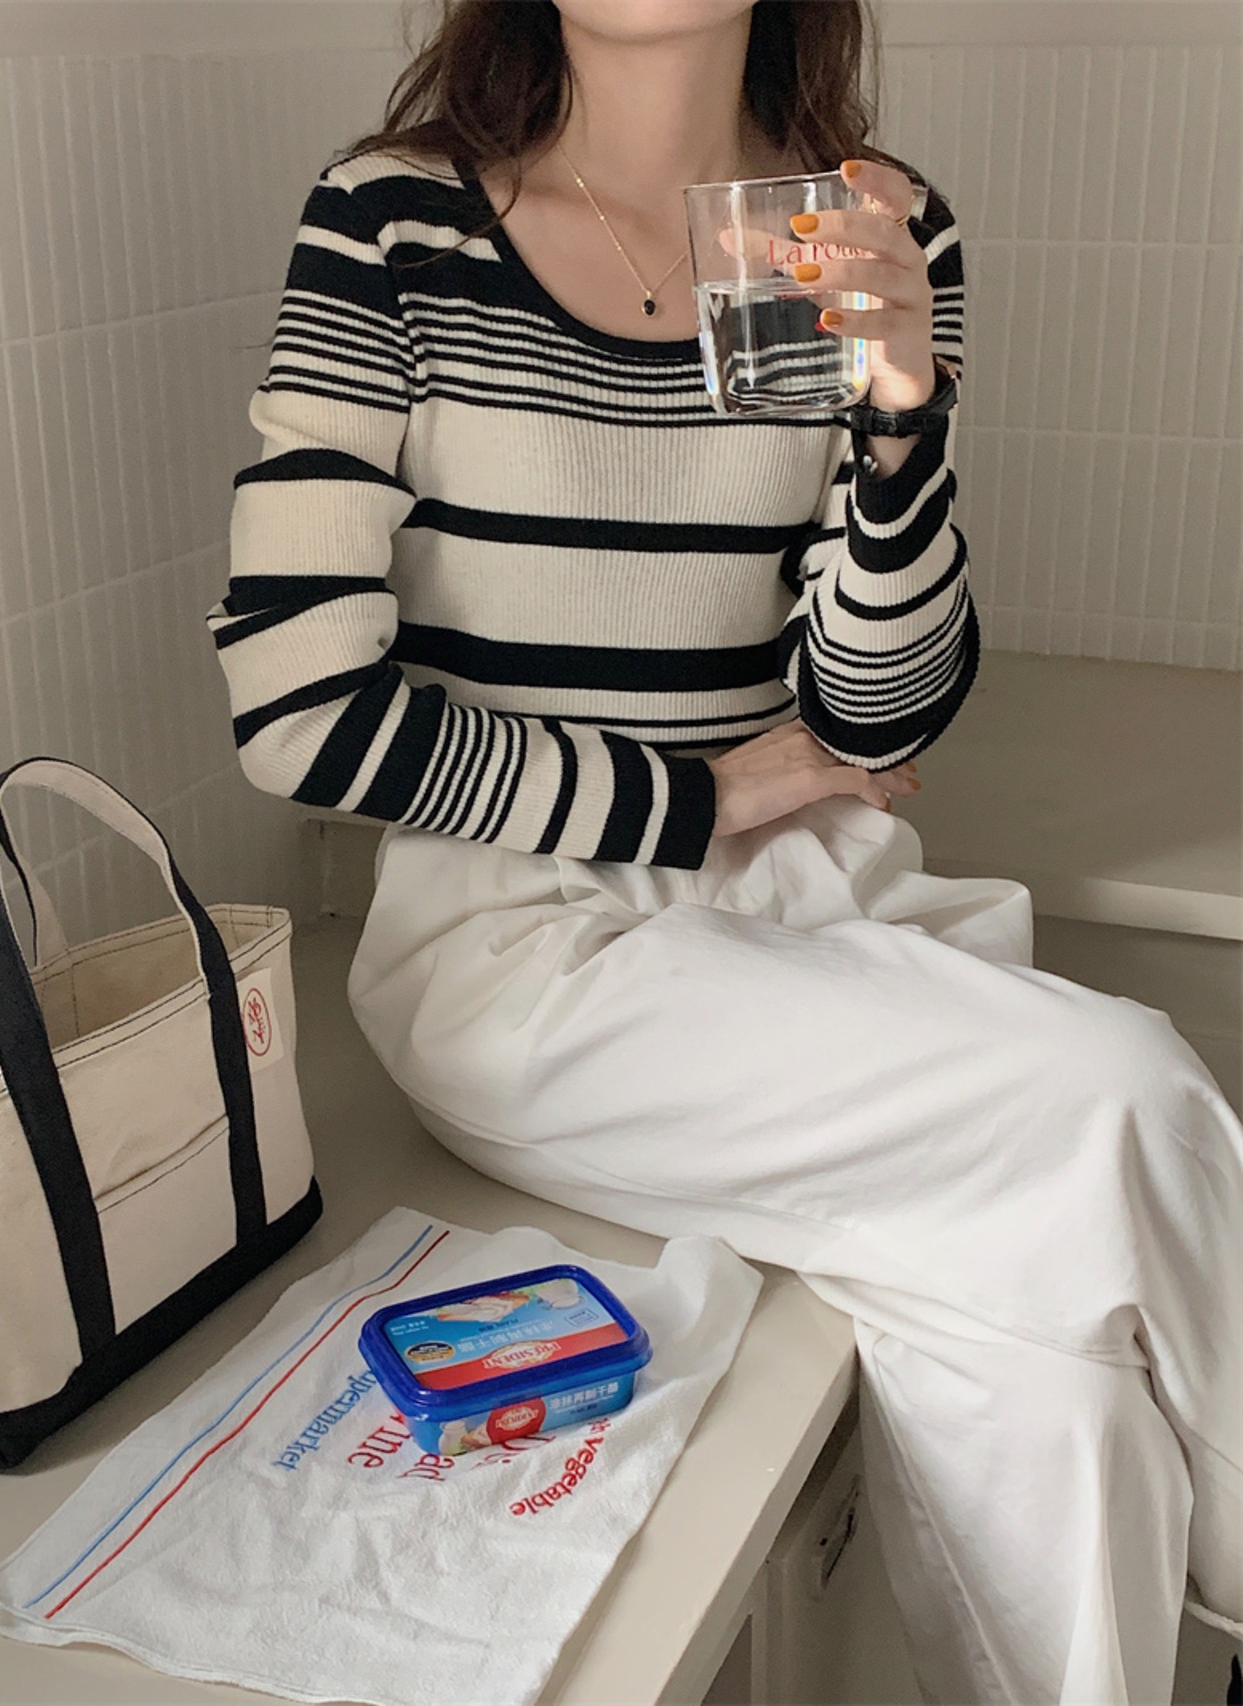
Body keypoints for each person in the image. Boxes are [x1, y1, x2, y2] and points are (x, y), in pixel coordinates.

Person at [207, 1, 1243, 1698]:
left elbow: (875, 713)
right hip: (520, 946)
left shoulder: (858, 227)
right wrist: (685, 800)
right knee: (1128, 1090)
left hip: (805, 898)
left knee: (1057, 1391)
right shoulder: (395, 224)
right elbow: (298, 709)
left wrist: (902, 419)